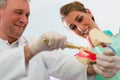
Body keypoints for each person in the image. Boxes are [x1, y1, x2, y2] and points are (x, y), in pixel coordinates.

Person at [0, 0, 99, 80]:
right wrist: (33, 48)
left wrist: (98, 66)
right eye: (19, 13)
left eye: (27, 15)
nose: (24, 20)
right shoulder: (34, 46)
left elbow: (63, 64)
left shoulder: (32, 42)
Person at [60, 1, 120, 80]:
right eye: (73, 28)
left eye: (80, 19)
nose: (81, 28)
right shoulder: (81, 60)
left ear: (88, 12)